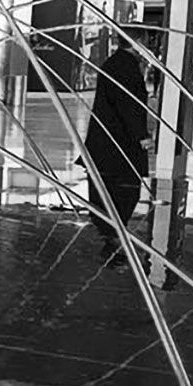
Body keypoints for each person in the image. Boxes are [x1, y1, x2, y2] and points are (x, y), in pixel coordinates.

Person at [82, 28, 157, 261]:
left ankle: (111, 231)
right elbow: (127, 104)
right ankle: (113, 233)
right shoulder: (125, 66)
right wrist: (141, 135)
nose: (149, 46)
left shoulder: (118, 62)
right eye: (146, 41)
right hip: (117, 143)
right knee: (123, 190)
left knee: (111, 190)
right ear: (137, 42)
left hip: (109, 143)